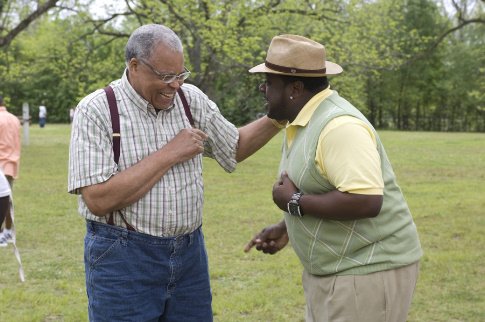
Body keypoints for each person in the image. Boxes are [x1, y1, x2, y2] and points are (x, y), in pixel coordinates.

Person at [68, 24, 283, 321]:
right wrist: (171, 153)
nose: (175, 85)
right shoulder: (97, 110)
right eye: (166, 76)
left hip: (189, 254)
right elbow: (98, 200)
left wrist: (281, 115)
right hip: (122, 258)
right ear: (134, 66)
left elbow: (233, 147)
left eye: (180, 75)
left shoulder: (190, 99)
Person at [244, 35, 423, 322]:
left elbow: (366, 201)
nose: (262, 88)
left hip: (367, 271)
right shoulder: (302, 121)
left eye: (269, 81)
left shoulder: (339, 127)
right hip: (336, 272)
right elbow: (322, 184)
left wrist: (293, 202)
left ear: (295, 88)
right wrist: (288, 226)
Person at [0, 95, 21, 245]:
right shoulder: (14, 119)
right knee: (7, 199)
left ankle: (3, 234)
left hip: (1, 161)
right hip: (12, 162)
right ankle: (7, 231)